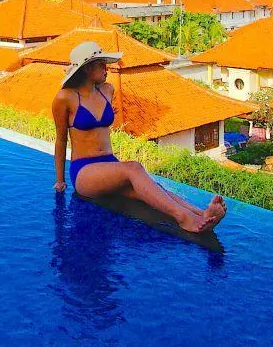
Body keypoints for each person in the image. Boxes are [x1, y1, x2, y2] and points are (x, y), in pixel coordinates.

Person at [52, 40, 226, 234]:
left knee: (152, 188)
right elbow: (61, 140)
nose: (106, 68)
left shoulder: (107, 90)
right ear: (86, 69)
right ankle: (184, 219)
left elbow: (102, 123)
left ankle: (200, 213)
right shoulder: (64, 98)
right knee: (133, 168)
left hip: (109, 165)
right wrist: (60, 181)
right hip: (84, 171)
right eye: (100, 64)